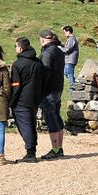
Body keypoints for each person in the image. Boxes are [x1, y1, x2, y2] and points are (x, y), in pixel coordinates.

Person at [8, 37, 44, 162]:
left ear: (21, 48)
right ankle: (32, 150)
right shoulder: (38, 62)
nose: (15, 48)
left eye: (15, 46)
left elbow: (15, 86)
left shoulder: (18, 64)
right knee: (31, 124)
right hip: (35, 99)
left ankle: (30, 153)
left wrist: (11, 102)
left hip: (22, 100)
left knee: (25, 126)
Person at [38, 29, 66, 159]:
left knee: (51, 118)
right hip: (58, 87)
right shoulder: (59, 51)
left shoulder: (47, 52)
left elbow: (45, 72)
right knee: (57, 117)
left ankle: (55, 149)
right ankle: (59, 148)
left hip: (49, 90)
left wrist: (40, 88)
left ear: (42, 39)